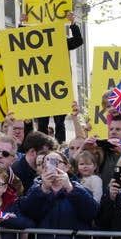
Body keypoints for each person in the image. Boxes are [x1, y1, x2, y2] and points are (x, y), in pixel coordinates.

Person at [34, 11, 84, 142]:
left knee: (59, 123)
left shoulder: (60, 42)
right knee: (42, 123)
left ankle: (60, 146)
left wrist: (72, 23)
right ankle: (42, 146)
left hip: (59, 86)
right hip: (42, 87)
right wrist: (22, 24)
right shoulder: (36, 44)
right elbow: (21, 46)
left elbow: (78, 40)